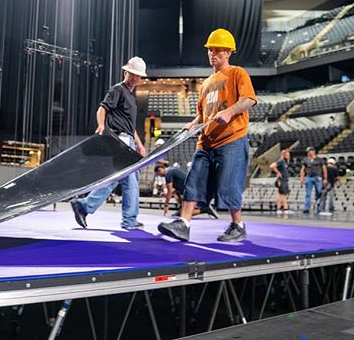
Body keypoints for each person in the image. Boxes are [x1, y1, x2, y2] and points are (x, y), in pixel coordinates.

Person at [158, 28, 257, 242]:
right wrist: (192, 125)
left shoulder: (238, 73)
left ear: (229, 52)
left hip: (231, 139)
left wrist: (230, 112)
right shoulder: (205, 84)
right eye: (210, 50)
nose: (213, 54)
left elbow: (249, 99)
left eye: (218, 51)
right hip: (206, 143)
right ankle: (184, 224)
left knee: (229, 185)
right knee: (193, 180)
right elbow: (202, 115)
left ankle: (238, 225)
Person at [70, 57, 148, 230]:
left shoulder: (130, 96)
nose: (135, 79)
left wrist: (140, 145)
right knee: (130, 180)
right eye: (133, 74)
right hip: (120, 140)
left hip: (128, 140)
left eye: (138, 76)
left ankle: (84, 206)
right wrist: (101, 126)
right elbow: (102, 109)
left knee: (120, 179)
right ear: (125, 72)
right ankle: (128, 220)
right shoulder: (118, 90)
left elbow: (130, 126)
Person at [299, 146, 327, 214]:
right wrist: (302, 179)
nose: (308, 153)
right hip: (309, 177)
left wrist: (325, 178)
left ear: (313, 151)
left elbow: (324, 169)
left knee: (319, 193)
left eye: (309, 151)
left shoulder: (319, 159)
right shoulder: (306, 160)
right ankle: (307, 208)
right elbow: (302, 170)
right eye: (308, 152)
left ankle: (319, 208)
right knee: (308, 193)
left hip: (318, 177)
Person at [270, 148, 293, 214]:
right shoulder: (280, 161)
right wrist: (278, 173)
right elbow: (272, 166)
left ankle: (278, 208)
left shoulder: (285, 162)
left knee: (281, 194)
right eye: (287, 155)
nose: (288, 157)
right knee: (283, 194)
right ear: (283, 155)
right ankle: (285, 209)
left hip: (284, 179)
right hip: (282, 180)